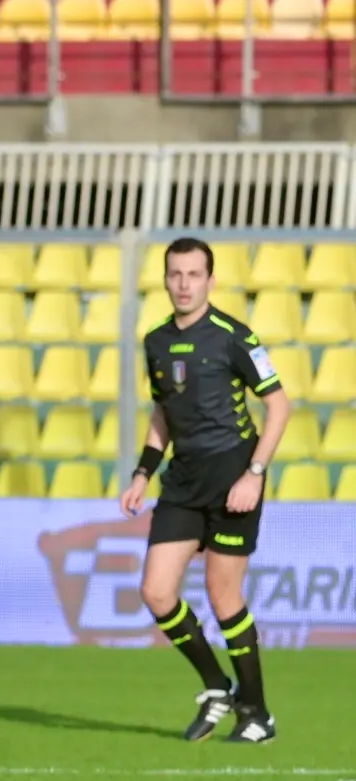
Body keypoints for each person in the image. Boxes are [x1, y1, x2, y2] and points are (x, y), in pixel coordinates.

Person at [119, 236, 288, 744]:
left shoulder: (234, 336)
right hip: (183, 481)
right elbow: (162, 415)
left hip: (234, 476)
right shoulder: (156, 341)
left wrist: (253, 475)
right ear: (166, 279)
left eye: (194, 274)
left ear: (210, 280)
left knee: (222, 594)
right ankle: (217, 687)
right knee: (155, 591)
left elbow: (279, 408)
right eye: (176, 274)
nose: (184, 284)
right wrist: (142, 474)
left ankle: (257, 712)